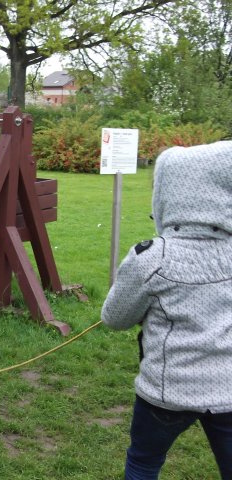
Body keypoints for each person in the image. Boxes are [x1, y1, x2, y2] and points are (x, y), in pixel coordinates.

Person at [101, 140, 232, 479]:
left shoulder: (151, 257)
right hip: (228, 390)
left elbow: (115, 318)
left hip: (166, 391)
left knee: (143, 461)